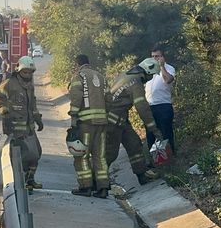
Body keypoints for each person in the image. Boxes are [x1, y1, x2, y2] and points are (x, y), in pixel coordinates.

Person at [106, 58, 163, 185]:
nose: (151, 78)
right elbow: (142, 107)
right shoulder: (136, 82)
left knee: (134, 144)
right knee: (110, 152)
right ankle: (98, 180)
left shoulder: (125, 75)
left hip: (120, 119)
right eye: (152, 75)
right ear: (147, 71)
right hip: (113, 121)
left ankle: (142, 175)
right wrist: (154, 129)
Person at [0, 56, 44, 191]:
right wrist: (5, 112)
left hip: (29, 127)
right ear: (19, 71)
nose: (27, 75)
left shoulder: (29, 86)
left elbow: (32, 105)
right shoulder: (10, 83)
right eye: (25, 72)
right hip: (15, 127)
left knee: (36, 153)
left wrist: (37, 118)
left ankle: (30, 179)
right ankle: (21, 183)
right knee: (26, 156)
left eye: (29, 72)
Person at [67, 54, 109, 198]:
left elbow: (76, 98)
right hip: (102, 123)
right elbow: (108, 99)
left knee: (82, 156)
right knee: (100, 156)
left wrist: (73, 117)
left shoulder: (79, 76)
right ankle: (103, 188)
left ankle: (86, 187)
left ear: (77, 64)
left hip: (86, 124)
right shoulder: (100, 76)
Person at [145, 45, 176, 154]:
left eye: (157, 56)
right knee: (150, 135)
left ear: (163, 57)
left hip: (163, 106)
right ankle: (155, 160)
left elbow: (168, 80)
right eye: (153, 56)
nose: (155, 59)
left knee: (166, 133)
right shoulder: (149, 72)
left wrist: (162, 66)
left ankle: (171, 157)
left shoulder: (169, 68)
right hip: (150, 107)